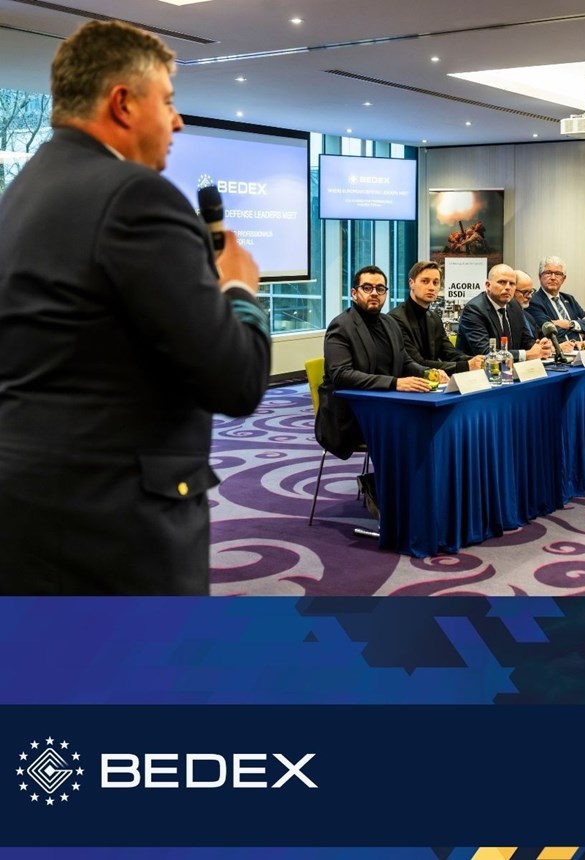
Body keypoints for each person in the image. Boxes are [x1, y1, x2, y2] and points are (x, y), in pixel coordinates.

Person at [0, 21, 270, 596]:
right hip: (116, 529)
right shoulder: (135, 196)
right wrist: (239, 288)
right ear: (122, 103)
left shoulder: (23, 191)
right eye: (167, 101)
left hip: (34, 511)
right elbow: (237, 381)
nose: (178, 121)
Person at [316, 265, 430, 461]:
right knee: (415, 428)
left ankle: (407, 479)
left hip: (387, 405)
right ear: (354, 293)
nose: (375, 293)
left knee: (430, 421)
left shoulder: (389, 323)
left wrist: (428, 372)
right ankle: (392, 480)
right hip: (352, 413)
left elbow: (404, 361)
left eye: (380, 288)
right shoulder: (341, 326)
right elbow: (342, 375)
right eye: (367, 288)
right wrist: (395, 383)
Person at [389, 261, 483, 376]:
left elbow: (450, 353)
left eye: (435, 282)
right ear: (411, 283)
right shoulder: (395, 319)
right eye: (425, 281)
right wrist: (466, 365)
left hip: (434, 381)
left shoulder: (434, 317)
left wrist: (477, 360)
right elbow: (417, 363)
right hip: (409, 382)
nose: (431, 287)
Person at [455, 263, 553, 360]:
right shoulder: (474, 309)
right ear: (488, 285)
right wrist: (526, 354)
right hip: (480, 368)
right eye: (502, 282)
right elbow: (486, 352)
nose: (508, 287)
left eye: (512, 284)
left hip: (511, 367)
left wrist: (539, 347)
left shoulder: (514, 305)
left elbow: (524, 339)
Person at [527, 255, 585, 344]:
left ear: (563, 279)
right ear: (540, 277)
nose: (553, 277)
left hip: (580, 348)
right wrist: (580, 335)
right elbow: (549, 333)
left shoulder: (569, 299)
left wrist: (570, 324)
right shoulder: (533, 301)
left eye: (557, 274)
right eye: (548, 273)